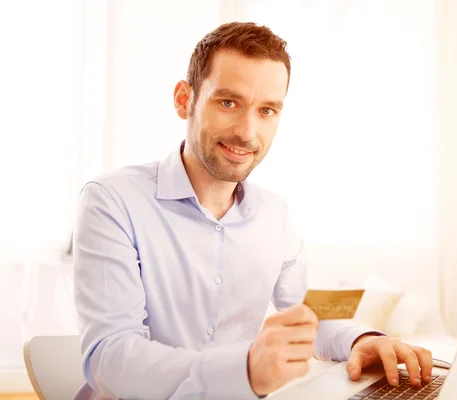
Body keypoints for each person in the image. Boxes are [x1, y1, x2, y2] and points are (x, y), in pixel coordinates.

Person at [73, 21, 433, 399]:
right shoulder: (112, 201)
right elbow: (110, 356)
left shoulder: (274, 215)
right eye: (228, 102)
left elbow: (303, 319)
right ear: (185, 100)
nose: (247, 131)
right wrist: (243, 371)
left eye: (266, 111)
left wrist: (361, 339)